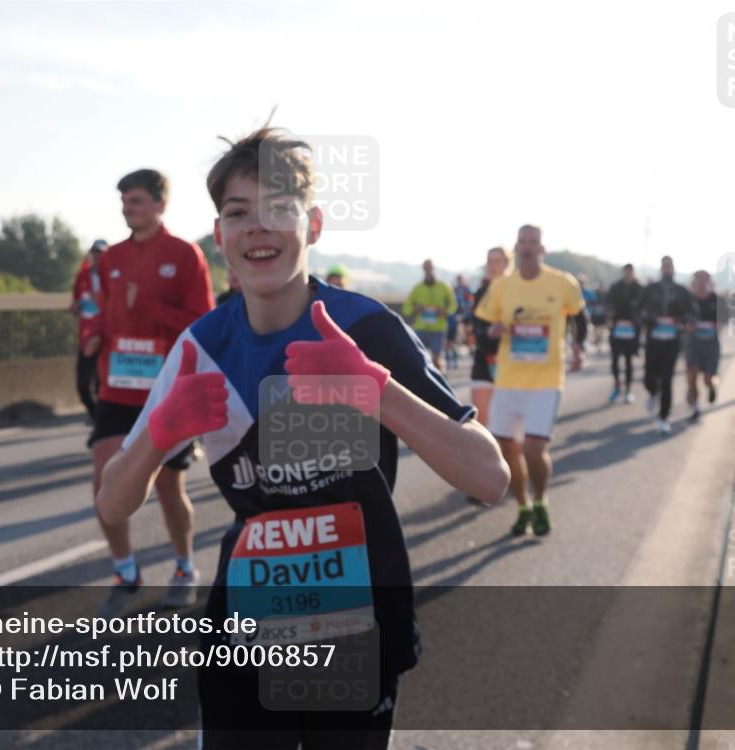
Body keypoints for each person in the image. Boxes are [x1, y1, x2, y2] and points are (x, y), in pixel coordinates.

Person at [96, 127, 509, 749]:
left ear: (312, 225)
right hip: (246, 622)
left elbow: (490, 477)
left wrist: (373, 390)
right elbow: (112, 504)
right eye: (239, 213)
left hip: (358, 617)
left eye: (278, 209)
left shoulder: (365, 327)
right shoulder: (201, 347)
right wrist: (159, 434)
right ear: (220, 237)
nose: (257, 228)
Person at [87, 168, 214, 615]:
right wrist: (95, 335)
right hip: (117, 390)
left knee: (167, 488)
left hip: (164, 391)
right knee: (104, 483)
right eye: (124, 202)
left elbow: (202, 322)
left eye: (136, 201)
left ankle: (184, 566)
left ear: (160, 204)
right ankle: (126, 573)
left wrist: (152, 307)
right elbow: (104, 311)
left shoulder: (184, 255)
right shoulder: (111, 257)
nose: (128, 209)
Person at [474, 225, 587, 537]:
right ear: (516, 247)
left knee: (534, 450)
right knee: (507, 449)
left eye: (533, 242)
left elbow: (580, 316)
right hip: (508, 380)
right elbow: (481, 326)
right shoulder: (501, 286)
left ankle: (540, 501)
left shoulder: (562, 283)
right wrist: (491, 332)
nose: (527, 247)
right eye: (522, 242)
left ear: (542, 248)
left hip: (546, 380)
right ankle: (523, 507)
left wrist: (579, 346)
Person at [638, 256, 696, 435]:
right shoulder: (651, 289)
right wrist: (647, 320)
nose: (667, 269)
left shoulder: (681, 291)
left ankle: (663, 417)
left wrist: (683, 321)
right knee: (649, 376)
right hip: (653, 339)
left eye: (669, 266)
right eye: (664, 266)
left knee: (667, 378)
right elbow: (638, 310)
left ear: (673, 268)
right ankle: (652, 392)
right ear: (661, 268)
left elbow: (692, 312)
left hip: (672, 340)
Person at [469, 247, 511, 426]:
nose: (492, 266)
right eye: (489, 261)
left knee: (508, 427)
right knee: (481, 422)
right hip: (484, 359)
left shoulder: (517, 290)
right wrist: (487, 332)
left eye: (497, 261)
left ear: (507, 264)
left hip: (511, 361)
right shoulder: (481, 292)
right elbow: (476, 326)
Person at [71, 239, 107, 422]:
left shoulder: (114, 275)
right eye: (95, 254)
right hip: (87, 337)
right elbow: (76, 303)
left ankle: (100, 422)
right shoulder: (83, 276)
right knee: (82, 385)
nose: (98, 258)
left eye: (101, 254)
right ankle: (96, 417)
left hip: (107, 338)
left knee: (102, 386)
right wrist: (76, 307)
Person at [685, 270, 727, 422]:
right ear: (694, 282)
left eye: (705, 280)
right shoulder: (689, 300)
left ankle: (712, 387)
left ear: (709, 282)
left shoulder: (717, 300)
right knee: (692, 376)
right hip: (693, 344)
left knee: (707, 379)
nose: (702, 283)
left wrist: (718, 325)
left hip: (711, 344)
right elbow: (682, 319)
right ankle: (696, 407)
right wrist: (687, 326)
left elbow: (723, 319)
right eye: (699, 280)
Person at [403, 259, 457, 372]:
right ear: (423, 269)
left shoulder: (444, 286)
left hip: (438, 329)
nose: (428, 269)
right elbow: (406, 309)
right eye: (426, 267)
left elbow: (453, 305)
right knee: (418, 359)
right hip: (421, 329)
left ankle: (440, 377)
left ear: (433, 268)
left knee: (436, 359)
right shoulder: (417, 288)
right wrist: (416, 309)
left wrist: (445, 312)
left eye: (430, 267)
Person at [605, 263, 643, 404]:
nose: (627, 274)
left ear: (633, 273)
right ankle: (616, 386)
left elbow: (644, 308)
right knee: (615, 359)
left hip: (632, 330)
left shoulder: (639, 288)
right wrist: (609, 318)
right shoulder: (615, 287)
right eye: (625, 272)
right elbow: (608, 304)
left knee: (628, 360)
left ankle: (628, 390)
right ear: (623, 273)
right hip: (617, 328)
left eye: (630, 272)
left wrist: (640, 323)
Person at [446, 274, 473, 370]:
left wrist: (464, 314)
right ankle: (452, 361)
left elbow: (470, 303)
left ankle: (470, 350)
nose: (459, 281)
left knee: (467, 335)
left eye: (460, 279)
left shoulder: (467, 290)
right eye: (458, 280)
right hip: (455, 319)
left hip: (466, 317)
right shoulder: (456, 290)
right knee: (451, 342)